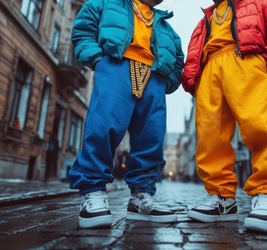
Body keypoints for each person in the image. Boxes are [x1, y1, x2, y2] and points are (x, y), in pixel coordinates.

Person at [181, 0, 267, 234]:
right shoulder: (205, 19)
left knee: (261, 125)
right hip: (210, 72)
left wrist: (265, 61)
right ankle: (221, 198)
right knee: (210, 138)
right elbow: (195, 53)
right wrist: (194, 80)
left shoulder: (263, 1)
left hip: (246, 60)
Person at [68, 0, 184, 228]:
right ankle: (92, 190)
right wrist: (99, 61)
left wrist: (167, 80)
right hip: (116, 65)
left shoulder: (166, 26)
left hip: (154, 77)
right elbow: (83, 29)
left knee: (152, 137)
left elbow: (178, 58)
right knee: (103, 126)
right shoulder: (106, 3)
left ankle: (141, 196)